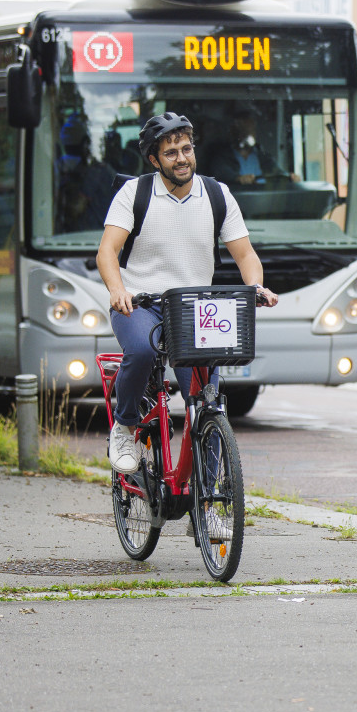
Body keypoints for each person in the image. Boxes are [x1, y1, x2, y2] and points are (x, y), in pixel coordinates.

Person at [96, 112, 279, 475]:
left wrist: (255, 285)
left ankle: (209, 498)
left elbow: (245, 254)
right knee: (142, 351)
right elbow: (106, 252)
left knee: (205, 403)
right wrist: (118, 291)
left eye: (186, 148)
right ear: (154, 160)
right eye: (171, 153)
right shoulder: (135, 193)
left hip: (195, 310)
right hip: (140, 304)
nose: (182, 158)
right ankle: (125, 425)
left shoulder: (216, 194)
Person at [207, 107, 295, 187]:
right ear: (234, 132)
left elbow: (277, 172)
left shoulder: (262, 156)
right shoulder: (223, 157)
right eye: (243, 130)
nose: (247, 134)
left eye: (251, 129)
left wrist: (289, 177)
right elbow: (221, 173)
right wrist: (238, 179)